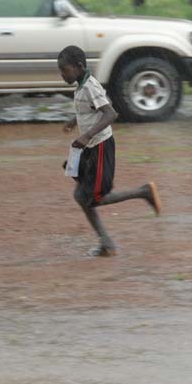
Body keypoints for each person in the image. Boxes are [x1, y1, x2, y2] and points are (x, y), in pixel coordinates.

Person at [57, 45, 162, 257]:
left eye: (65, 70)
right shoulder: (82, 85)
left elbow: (110, 113)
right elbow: (94, 108)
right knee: (80, 195)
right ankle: (107, 243)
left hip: (100, 148)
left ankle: (143, 192)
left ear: (78, 67)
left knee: (94, 198)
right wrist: (73, 121)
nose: (62, 75)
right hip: (88, 148)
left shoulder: (90, 87)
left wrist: (86, 135)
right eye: (60, 70)